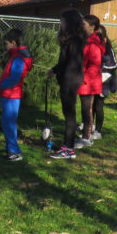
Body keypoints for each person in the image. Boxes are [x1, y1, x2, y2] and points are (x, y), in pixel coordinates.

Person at [49, 9, 86, 160]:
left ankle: (68, 148)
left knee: (70, 115)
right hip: (68, 79)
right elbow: (63, 62)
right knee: (68, 114)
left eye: (62, 21)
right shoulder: (72, 40)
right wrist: (54, 69)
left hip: (70, 81)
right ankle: (68, 146)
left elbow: (70, 64)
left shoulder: (74, 41)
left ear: (68, 23)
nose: (60, 24)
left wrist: (62, 78)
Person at [0, 29, 33, 161]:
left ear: (13, 42)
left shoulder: (18, 58)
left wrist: (0, 86)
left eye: (6, 43)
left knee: (9, 124)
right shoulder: (16, 55)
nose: (5, 46)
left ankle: (14, 152)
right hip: (9, 94)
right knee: (8, 123)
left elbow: (14, 78)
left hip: (11, 94)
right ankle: (10, 149)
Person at [74, 14, 104, 149]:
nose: (81, 26)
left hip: (89, 83)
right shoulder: (88, 40)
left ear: (92, 27)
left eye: (84, 24)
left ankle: (86, 138)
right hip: (86, 82)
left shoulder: (93, 43)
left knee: (87, 110)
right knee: (86, 110)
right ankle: (87, 135)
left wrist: (83, 79)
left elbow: (94, 65)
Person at [93, 24, 117, 140]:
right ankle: (89, 127)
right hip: (92, 80)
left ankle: (98, 131)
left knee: (98, 106)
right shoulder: (93, 46)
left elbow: (113, 65)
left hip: (103, 81)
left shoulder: (108, 49)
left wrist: (101, 75)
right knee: (90, 105)